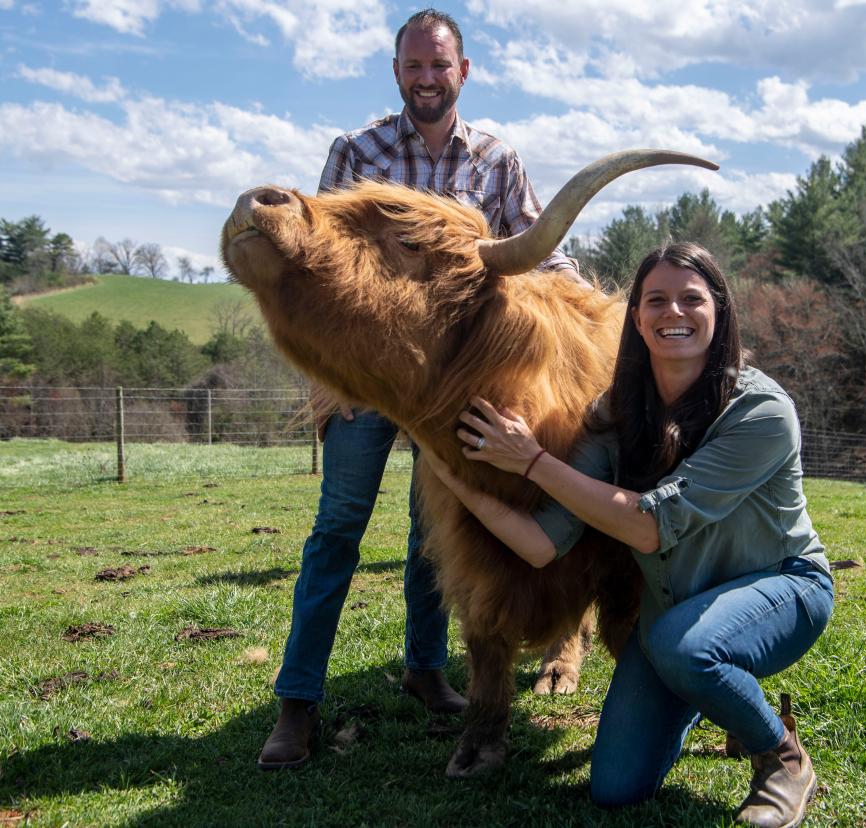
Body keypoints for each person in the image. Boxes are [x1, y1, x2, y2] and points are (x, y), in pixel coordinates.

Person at [258, 8, 583, 770]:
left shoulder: (496, 161)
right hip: (367, 389)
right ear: (397, 71)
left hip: (448, 391)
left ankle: (425, 669)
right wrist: (325, 377)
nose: (427, 78)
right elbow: (314, 272)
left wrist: (597, 319)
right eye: (414, 66)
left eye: (440, 65)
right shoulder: (358, 152)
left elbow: (536, 258)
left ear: (462, 72)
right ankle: (297, 705)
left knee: (432, 540)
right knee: (337, 529)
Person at [422, 243, 833, 826]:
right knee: (615, 787)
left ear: (720, 312)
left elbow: (647, 527)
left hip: (778, 591)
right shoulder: (616, 413)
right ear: (636, 319)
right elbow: (541, 543)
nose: (674, 313)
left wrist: (533, 461)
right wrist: (446, 466)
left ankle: (783, 760)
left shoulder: (761, 412)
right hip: (678, 608)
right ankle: (703, 695)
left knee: (684, 648)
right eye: (656, 300)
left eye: (692, 299)